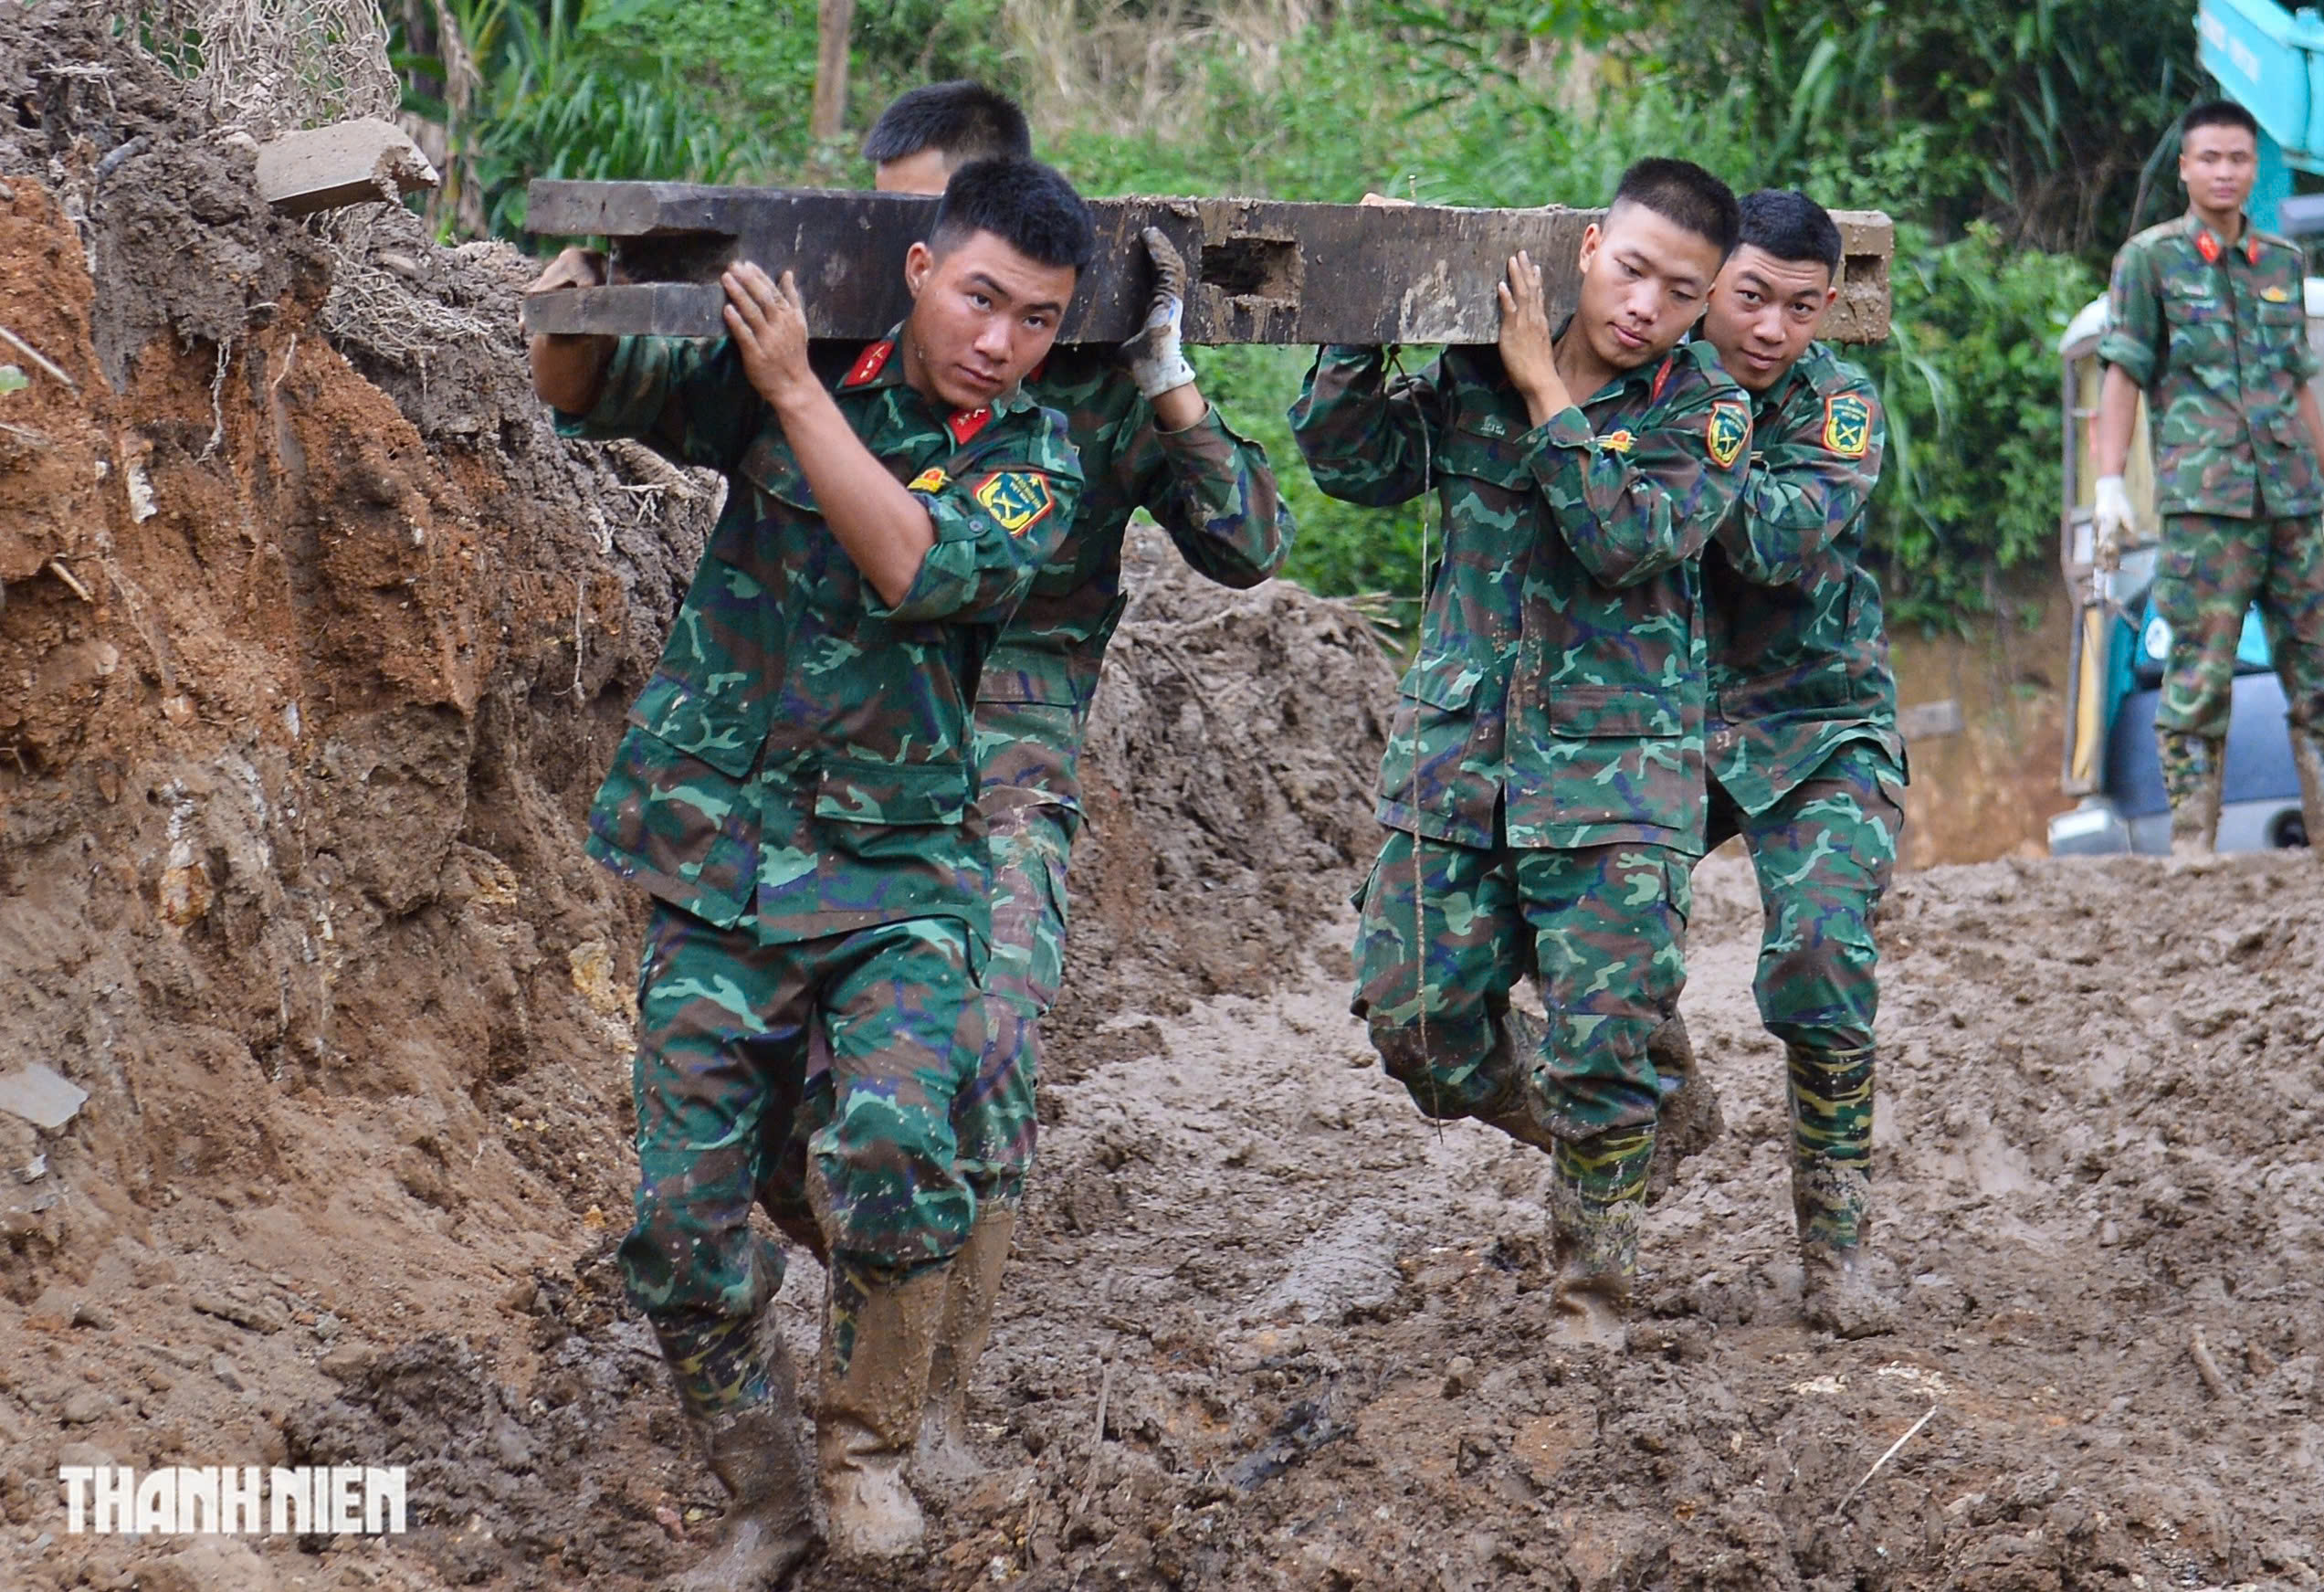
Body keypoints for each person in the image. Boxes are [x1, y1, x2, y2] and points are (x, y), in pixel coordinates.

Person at [527, 156, 1094, 1579]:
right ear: (918, 268)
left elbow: (912, 562)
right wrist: (572, 305)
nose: (998, 338)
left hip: (899, 874)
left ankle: (864, 1451)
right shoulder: (794, 361)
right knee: (676, 1221)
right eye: (980, 297)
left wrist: (798, 393)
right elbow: (583, 391)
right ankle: (764, 1495)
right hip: (721, 858)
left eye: (1035, 319)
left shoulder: (1035, 461)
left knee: (903, 1150)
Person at [859, 79, 1292, 1482]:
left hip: (1004, 761)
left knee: (984, 1049)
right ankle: (872, 1317)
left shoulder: (1095, 386)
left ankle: (933, 1410)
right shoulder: (850, 356)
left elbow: (1245, 549)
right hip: (837, 773)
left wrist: (1166, 375)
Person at [1291, 159, 1751, 1349]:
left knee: (1601, 1040)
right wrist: (1368, 311)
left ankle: (1589, 1296)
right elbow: (1354, 463)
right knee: (1416, 1021)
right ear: (1591, 246)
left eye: (1679, 290)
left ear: (1704, 306)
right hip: (1460, 761)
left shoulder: (1704, 411)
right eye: (1633, 268)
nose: (1646, 303)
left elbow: (1621, 539)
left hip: (1615, 779)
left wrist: (1547, 392)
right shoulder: (1475, 353)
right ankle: (1630, 1124)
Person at [1683, 187, 1904, 1337]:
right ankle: (1657, 1098)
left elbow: (1770, 538)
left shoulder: (1839, 407)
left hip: (1817, 723)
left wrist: (1691, 410)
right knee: (1586, 940)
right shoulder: (1640, 366)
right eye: (1750, 297)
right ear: (1709, 283)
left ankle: (1836, 1254)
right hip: (1661, 719)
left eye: (1800, 309)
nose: (1770, 330)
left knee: (1822, 951)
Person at [2092, 98, 2324, 858]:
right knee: (2195, 681)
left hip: (2294, 503)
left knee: (2318, 678)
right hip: (2204, 507)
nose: (2224, 172)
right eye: (2210, 158)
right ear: (2186, 167)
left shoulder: (2283, 265)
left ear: (2253, 169)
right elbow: (2121, 374)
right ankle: (2193, 853)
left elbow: (2298, 385)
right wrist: (2108, 486)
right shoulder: (2149, 260)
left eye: (2238, 159)